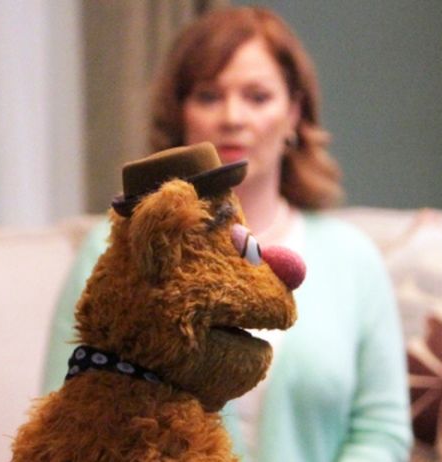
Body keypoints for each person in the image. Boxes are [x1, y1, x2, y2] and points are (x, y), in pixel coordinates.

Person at [41, 7, 411, 461]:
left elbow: (382, 433)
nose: (233, 116)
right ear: (181, 113)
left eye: (258, 96)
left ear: (294, 113)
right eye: (209, 96)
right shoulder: (117, 247)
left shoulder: (353, 259)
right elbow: (70, 406)